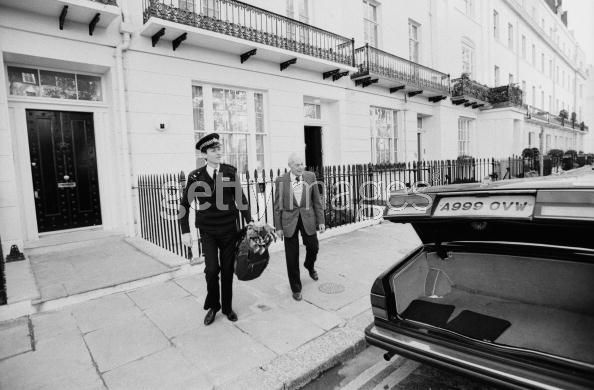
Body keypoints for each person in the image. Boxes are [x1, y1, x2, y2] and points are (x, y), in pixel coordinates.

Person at [179, 133, 252, 325]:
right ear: (204, 155)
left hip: (229, 229)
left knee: (227, 270)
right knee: (212, 270)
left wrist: (249, 221)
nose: (219, 152)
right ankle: (213, 306)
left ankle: (227, 307)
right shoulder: (195, 177)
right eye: (213, 150)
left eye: (219, 149)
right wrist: (185, 231)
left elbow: (241, 200)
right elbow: (184, 205)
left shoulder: (229, 172)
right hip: (208, 231)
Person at [273, 153, 325, 301]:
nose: (301, 167)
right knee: (291, 256)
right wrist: (278, 227)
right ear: (290, 165)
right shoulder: (281, 180)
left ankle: (309, 265)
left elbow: (317, 200)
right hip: (289, 220)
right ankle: (296, 288)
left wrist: (321, 221)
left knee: (313, 246)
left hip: (308, 218)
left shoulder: (310, 177)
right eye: (297, 165)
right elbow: (277, 206)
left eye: (302, 164)